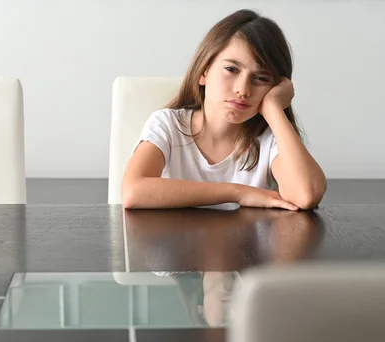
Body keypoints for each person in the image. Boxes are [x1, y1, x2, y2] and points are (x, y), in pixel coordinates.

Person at [121, 9, 326, 211]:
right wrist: (239, 193)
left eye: (261, 78)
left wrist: (273, 109)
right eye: (231, 69)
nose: (242, 90)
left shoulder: (268, 139)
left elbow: (306, 195)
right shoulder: (167, 125)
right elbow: (133, 191)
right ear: (203, 71)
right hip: (176, 243)